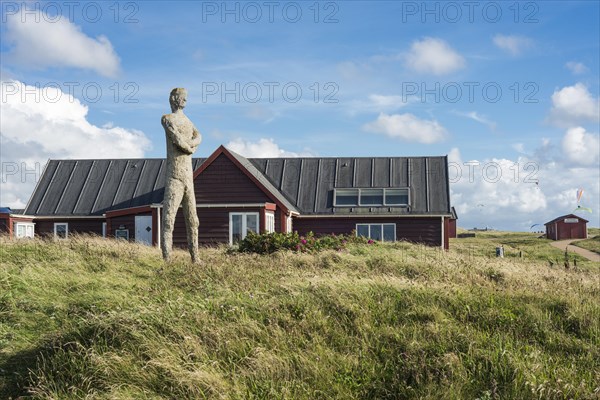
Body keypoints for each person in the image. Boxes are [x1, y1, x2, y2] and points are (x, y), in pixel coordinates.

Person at [161, 88, 201, 263]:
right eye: (182, 97)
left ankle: (195, 256)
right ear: (174, 99)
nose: (185, 100)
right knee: (169, 218)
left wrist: (192, 144)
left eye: (186, 98)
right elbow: (176, 139)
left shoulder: (187, 120)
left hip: (188, 177)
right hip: (175, 175)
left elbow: (199, 135)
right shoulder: (168, 119)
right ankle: (167, 258)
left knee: (193, 219)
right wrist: (190, 147)